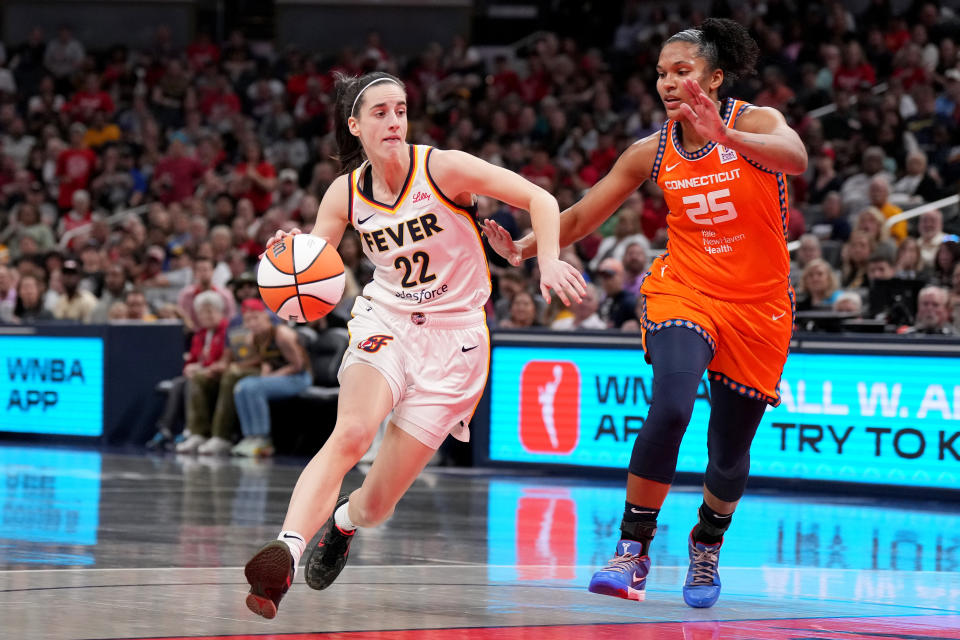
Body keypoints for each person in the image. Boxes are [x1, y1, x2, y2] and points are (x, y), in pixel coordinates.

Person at [484, 18, 807, 608]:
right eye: (661, 73)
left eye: (681, 70)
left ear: (714, 76)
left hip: (759, 309)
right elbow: (583, 214)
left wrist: (727, 138)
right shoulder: (651, 150)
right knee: (672, 404)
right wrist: (527, 248)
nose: (667, 82)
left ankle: (706, 546)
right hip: (683, 291)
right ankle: (632, 548)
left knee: (729, 452)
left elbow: (797, 157)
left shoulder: (755, 124)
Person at [242, 70, 584, 619]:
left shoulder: (443, 167)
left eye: (400, 110)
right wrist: (292, 255)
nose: (394, 121)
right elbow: (315, 265)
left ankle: (345, 522)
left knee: (377, 505)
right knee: (351, 431)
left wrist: (545, 259)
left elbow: (540, 198)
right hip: (388, 320)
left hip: (456, 340)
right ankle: (285, 550)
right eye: (379, 112)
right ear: (355, 126)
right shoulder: (345, 192)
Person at [230, 302, 312, 457]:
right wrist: (265, 370)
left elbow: (298, 365)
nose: (252, 323)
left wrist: (271, 376)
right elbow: (266, 359)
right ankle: (250, 436)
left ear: (266, 317)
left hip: (299, 378)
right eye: (248, 320)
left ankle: (263, 438)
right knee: (241, 386)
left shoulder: (282, 334)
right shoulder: (253, 338)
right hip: (280, 375)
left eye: (256, 318)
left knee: (254, 387)